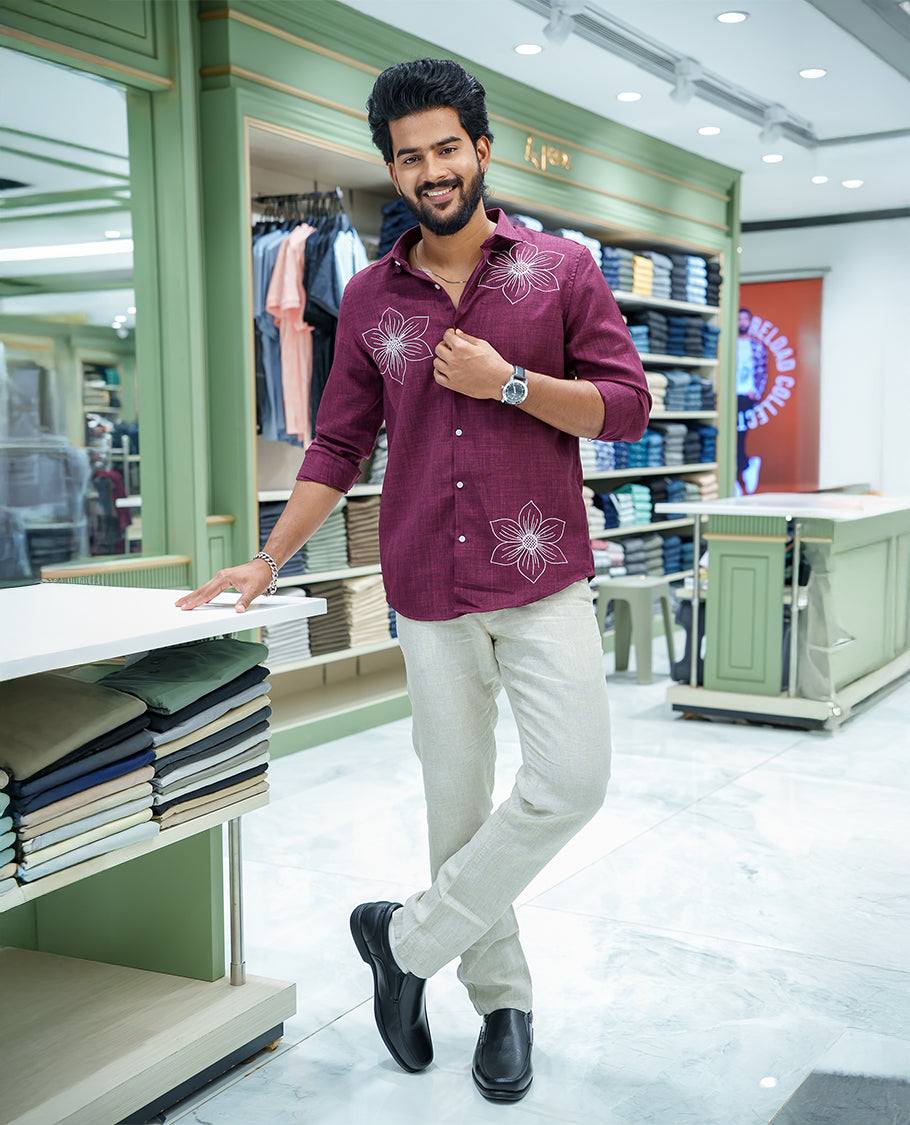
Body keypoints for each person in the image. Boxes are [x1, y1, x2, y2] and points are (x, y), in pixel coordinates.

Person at [177, 57, 650, 1103]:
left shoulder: (560, 270)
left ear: (482, 150)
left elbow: (625, 408)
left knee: (570, 782)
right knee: (457, 808)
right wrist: (267, 557)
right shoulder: (366, 293)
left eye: (446, 148)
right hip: (426, 588)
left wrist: (511, 382)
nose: (431, 170)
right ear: (392, 171)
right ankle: (503, 1003)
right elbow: (335, 446)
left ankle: (404, 941)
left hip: (543, 579)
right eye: (409, 157)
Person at [736, 306, 767, 495]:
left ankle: (743, 467)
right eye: (739, 319)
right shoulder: (729, 344)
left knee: (740, 433)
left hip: (746, 396)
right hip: (731, 395)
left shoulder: (757, 346)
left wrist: (756, 392)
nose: (742, 323)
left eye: (745, 319)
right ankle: (744, 466)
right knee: (731, 435)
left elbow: (762, 372)